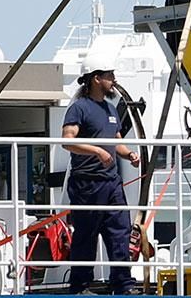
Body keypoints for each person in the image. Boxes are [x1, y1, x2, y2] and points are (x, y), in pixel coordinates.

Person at [62, 51, 142, 295]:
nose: (113, 80)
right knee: (86, 234)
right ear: (96, 78)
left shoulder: (110, 109)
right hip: (88, 183)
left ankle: (123, 284)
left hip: (111, 183)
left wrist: (128, 154)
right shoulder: (79, 109)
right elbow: (66, 141)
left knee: (120, 232)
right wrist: (96, 151)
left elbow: (115, 141)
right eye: (109, 75)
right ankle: (80, 286)